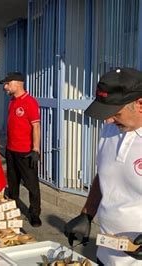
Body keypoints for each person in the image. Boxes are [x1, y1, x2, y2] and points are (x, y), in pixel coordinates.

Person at [64, 68, 142, 265]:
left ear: (140, 104)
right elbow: (104, 176)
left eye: (115, 113)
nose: (107, 120)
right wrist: (87, 213)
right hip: (106, 254)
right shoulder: (110, 129)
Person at [1, 72, 42, 227]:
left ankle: (35, 213)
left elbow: (36, 126)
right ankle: (13, 209)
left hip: (25, 151)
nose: (5, 87)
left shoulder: (30, 102)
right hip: (11, 149)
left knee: (32, 184)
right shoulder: (12, 101)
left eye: (7, 83)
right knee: (12, 183)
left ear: (17, 83)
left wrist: (35, 149)